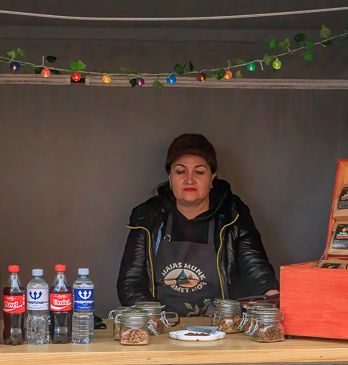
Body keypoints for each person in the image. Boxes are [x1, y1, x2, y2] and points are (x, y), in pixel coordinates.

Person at [118, 133, 279, 314]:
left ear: (212, 178)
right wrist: (153, 318)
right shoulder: (148, 216)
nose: (189, 179)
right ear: (170, 177)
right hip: (162, 328)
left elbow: (255, 267)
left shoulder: (233, 215)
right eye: (180, 171)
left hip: (221, 328)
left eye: (199, 171)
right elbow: (130, 283)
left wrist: (270, 295)